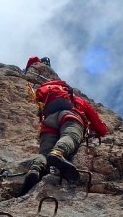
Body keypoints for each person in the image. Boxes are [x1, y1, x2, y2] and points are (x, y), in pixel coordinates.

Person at [18, 62, 108, 196]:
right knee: (70, 135)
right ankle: (58, 153)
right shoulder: (75, 99)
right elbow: (95, 121)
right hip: (68, 116)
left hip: (48, 122)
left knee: (44, 151)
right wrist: (102, 131)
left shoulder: (45, 96)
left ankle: (35, 169)